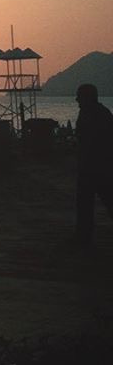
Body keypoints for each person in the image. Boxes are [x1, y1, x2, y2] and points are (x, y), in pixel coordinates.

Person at [74, 83, 113, 248]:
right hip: (93, 166)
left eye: (79, 97)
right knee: (86, 203)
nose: (76, 100)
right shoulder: (97, 113)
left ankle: (84, 237)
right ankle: (83, 237)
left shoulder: (96, 115)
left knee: (101, 200)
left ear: (87, 97)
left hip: (97, 166)